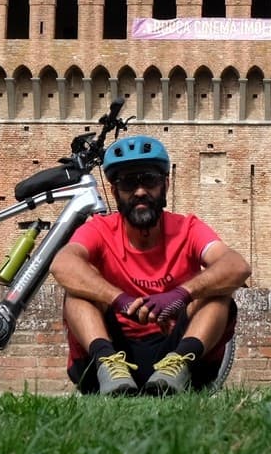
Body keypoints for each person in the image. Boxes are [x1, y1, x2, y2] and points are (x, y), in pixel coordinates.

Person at [51, 134, 251, 395]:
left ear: (165, 185)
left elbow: (237, 266)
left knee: (219, 294)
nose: (140, 191)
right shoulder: (100, 229)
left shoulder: (188, 228)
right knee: (77, 292)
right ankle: (108, 366)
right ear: (114, 192)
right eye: (128, 183)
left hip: (177, 354)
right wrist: (118, 299)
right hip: (111, 355)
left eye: (149, 180)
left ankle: (179, 365)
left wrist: (181, 295)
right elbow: (62, 264)